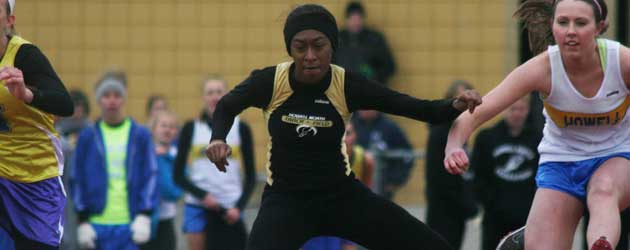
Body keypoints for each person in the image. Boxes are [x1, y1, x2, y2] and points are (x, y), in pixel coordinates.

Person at [204, 4, 481, 250]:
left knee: (427, 243)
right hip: (285, 201)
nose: (310, 55)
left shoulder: (346, 84)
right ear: (291, 48)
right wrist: (218, 138)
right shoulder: (271, 81)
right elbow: (227, 105)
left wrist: (453, 105)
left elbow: (413, 107)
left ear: (332, 46)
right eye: (301, 47)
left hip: (341, 197)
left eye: (319, 45)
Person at [444, 0, 630, 249]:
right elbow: (478, 111)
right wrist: (454, 144)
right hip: (561, 162)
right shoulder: (542, 68)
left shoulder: (621, 62)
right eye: (563, 22)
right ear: (552, 26)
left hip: (616, 156)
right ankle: (532, 232)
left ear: (600, 27)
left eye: (581, 23)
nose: (570, 31)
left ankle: (601, 243)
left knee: (602, 191)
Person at [0, 0, 75, 249]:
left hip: (34, 178)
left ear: (9, 21)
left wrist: (27, 94)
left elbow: (65, 104)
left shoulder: (25, 55)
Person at [71, 71, 158, 250]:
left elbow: (151, 174)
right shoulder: (88, 136)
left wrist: (145, 214)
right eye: (106, 95)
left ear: (124, 100)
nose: (112, 100)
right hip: (96, 224)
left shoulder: (139, 135)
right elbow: (77, 177)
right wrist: (82, 220)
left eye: (117, 95)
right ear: (98, 100)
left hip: (130, 223)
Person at [173, 76, 256, 250]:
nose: (214, 97)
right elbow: (178, 175)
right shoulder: (190, 128)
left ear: (226, 95)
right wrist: (203, 196)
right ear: (203, 97)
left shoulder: (241, 128)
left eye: (219, 92)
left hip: (231, 208)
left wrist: (239, 207)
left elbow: (251, 177)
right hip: (198, 206)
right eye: (210, 92)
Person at [470, 96, 541, 250]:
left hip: (527, 216)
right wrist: (488, 201)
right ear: (504, 110)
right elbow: (477, 174)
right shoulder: (486, 138)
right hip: (495, 216)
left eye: (521, 109)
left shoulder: (538, 139)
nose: (517, 114)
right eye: (512, 109)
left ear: (527, 111)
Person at [301, 122, 375, 250]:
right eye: (341, 134)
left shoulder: (364, 159)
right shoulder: (316, 158)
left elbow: (367, 192)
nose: (344, 138)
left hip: (348, 216)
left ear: (355, 136)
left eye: (348, 133)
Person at [425, 80, 478, 250]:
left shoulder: (458, 130)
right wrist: (466, 204)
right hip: (444, 208)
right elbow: (438, 176)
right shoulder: (441, 131)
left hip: (456, 209)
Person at [141, 110, 182, 250]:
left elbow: (173, 192)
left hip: (166, 219)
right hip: (144, 218)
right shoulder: (144, 153)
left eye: (172, 127)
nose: (168, 130)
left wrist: (162, 159)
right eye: (163, 125)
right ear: (153, 129)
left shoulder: (176, 156)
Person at [56, 89, 91, 250]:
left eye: (80, 106)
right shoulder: (58, 132)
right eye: (74, 106)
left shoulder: (91, 132)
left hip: (85, 187)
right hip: (62, 188)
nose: (77, 111)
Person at [352, 109, 414, 199]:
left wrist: (395, 180)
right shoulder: (350, 125)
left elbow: (407, 155)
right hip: (353, 186)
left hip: (381, 190)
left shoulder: (390, 128)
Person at [336, 1, 396, 85]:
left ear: (363, 19)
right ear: (346, 19)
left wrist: (374, 76)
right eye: (352, 19)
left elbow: (390, 67)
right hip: (342, 92)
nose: (356, 22)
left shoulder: (375, 40)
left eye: (358, 18)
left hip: (369, 92)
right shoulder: (337, 40)